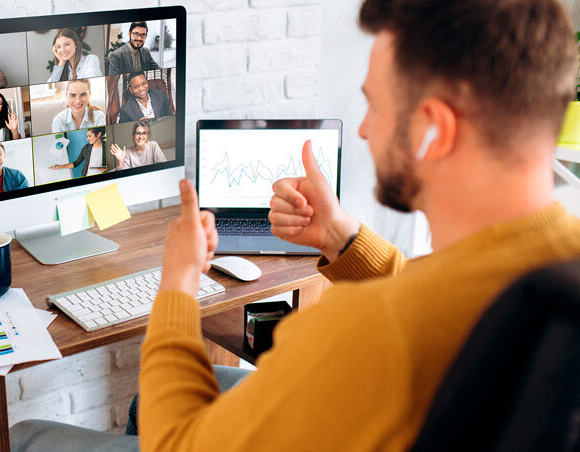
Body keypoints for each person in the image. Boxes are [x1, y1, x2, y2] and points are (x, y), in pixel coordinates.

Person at [134, 0, 580, 450]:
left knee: (146, 403)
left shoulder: (368, 331)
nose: (364, 130)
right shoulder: (557, 271)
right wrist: (337, 236)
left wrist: (178, 282)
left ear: (435, 130)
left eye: (376, 107)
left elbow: (174, 443)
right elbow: (448, 299)